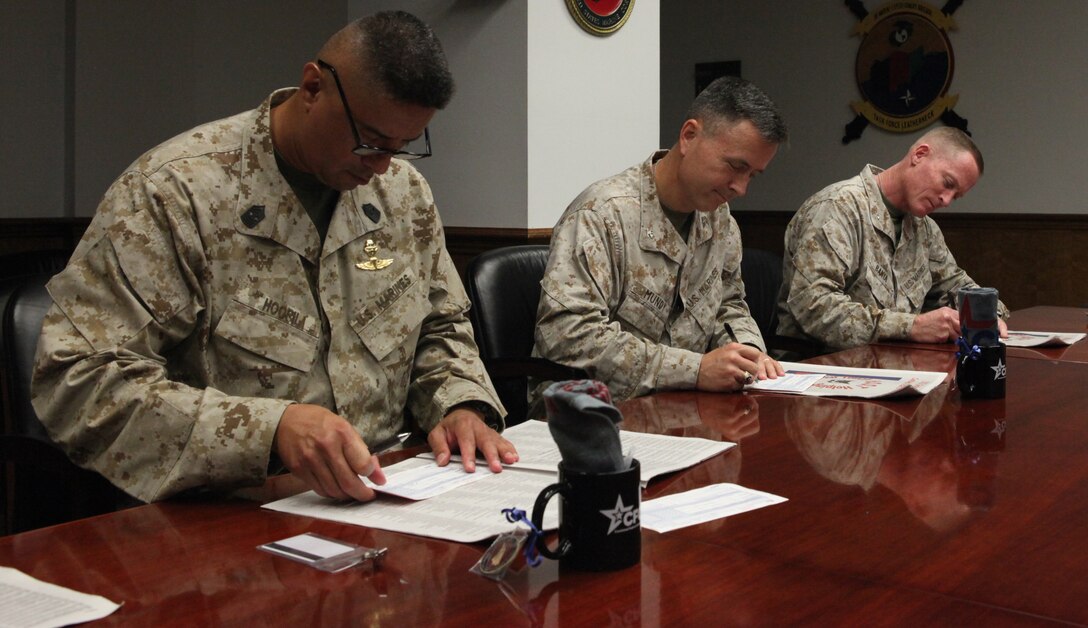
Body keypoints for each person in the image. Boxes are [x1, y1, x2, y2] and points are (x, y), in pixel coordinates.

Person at [31, 11, 517, 504]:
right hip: (228, 511)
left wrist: (460, 406)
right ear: (311, 88)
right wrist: (267, 428)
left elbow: (439, 325)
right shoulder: (177, 193)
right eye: (370, 140)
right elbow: (79, 379)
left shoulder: (402, 195)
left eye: (403, 146)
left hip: (388, 494)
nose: (382, 166)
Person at [530, 76, 788, 413]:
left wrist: (749, 354)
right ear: (689, 136)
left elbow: (728, 306)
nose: (741, 188)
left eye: (752, 175)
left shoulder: (719, 220)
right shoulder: (603, 214)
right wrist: (693, 370)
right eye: (735, 166)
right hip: (591, 413)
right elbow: (567, 334)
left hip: (684, 408)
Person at [777, 127, 1008, 353]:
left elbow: (956, 285)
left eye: (956, 196)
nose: (946, 200)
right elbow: (813, 306)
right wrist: (911, 327)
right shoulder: (838, 208)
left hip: (892, 366)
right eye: (947, 183)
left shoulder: (924, 228)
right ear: (919, 155)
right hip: (818, 365)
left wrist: (987, 316)